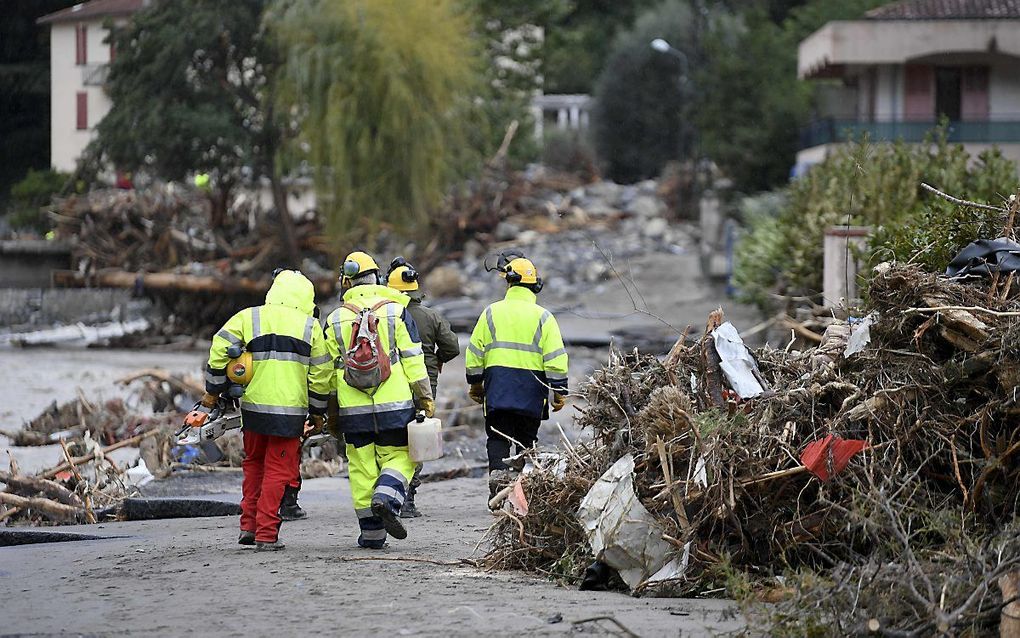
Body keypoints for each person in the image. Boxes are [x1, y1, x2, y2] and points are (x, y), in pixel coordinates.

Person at [201, 269, 332, 551]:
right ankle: (266, 533)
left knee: (254, 465)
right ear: (307, 297)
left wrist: (214, 389)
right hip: (289, 414)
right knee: (277, 471)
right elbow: (322, 374)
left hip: (253, 410)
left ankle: (248, 526)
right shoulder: (311, 327)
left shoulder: (250, 316)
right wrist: (318, 413)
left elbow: (219, 345)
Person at [323, 251, 435, 548]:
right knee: (402, 456)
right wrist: (425, 398)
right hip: (395, 407)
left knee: (361, 468)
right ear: (379, 279)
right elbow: (413, 359)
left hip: (353, 410)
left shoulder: (335, 319)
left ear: (346, 281)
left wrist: (328, 411)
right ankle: (387, 497)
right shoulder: (396, 311)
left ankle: (372, 534)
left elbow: (325, 371)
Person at [465, 257, 569, 499]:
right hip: (532, 391)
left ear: (509, 284)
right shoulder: (544, 318)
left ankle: (499, 485)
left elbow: (474, 352)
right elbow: (555, 357)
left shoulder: (490, 312)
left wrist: (475, 383)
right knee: (526, 441)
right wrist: (559, 391)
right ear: (535, 285)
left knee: (498, 437)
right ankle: (522, 494)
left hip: (498, 387)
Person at [385, 257, 460, 517]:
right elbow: (452, 347)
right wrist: (436, 360)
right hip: (425, 384)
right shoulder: (430, 316)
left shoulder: (385, 316)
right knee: (418, 437)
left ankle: (386, 491)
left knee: (391, 438)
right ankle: (408, 500)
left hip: (391, 385)